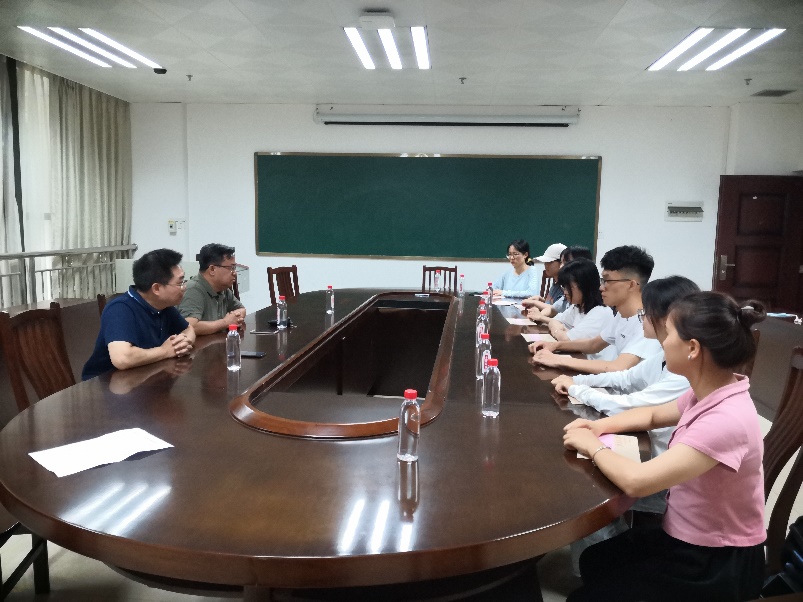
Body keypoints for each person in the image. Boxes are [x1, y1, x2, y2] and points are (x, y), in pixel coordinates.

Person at [563, 292, 767, 602]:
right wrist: (600, 426)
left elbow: (637, 482)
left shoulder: (725, 419)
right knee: (596, 559)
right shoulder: (709, 391)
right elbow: (653, 415)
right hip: (685, 534)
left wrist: (593, 446)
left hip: (716, 561)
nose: (663, 342)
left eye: (668, 333)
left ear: (693, 348)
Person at [551, 275, 700, 458]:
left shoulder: (684, 375)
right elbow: (625, 378)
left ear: (667, 320)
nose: (641, 318)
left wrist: (576, 388)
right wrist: (576, 381)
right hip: (649, 445)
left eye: (645, 312)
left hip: (657, 456)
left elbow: (628, 406)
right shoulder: (663, 356)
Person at [530, 245, 661, 374]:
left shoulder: (648, 323)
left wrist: (558, 360)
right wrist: (555, 346)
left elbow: (618, 367)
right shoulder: (622, 316)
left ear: (631, 285)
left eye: (607, 281)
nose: (601, 287)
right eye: (602, 280)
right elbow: (593, 345)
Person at [82, 249, 196, 380]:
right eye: (180, 283)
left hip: (147, 379)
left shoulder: (164, 307)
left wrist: (182, 344)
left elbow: (188, 329)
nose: (184, 287)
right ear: (156, 288)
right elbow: (122, 359)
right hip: (106, 385)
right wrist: (165, 351)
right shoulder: (120, 309)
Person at [527, 259, 613, 353]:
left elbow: (566, 340)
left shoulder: (600, 312)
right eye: (564, 287)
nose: (565, 292)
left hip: (589, 360)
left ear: (584, 285)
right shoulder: (577, 306)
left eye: (569, 287)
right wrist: (562, 330)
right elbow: (555, 321)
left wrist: (558, 331)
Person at [178, 243, 246, 335]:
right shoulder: (193, 289)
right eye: (231, 268)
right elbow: (189, 327)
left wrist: (235, 316)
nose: (234, 273)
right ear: (212, 269)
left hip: (217, 341)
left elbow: (241, 309)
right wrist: (225, 322)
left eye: (234, 268)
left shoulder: (223, 288)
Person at [519, 242, 567, 313]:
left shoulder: (565, 287)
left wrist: (535, 303)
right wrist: (542, 300)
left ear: (562, 262)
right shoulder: (555, 281)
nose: (545, 265)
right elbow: (553, 304)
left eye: (549, 262)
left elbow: (556, 310)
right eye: (545, 262)